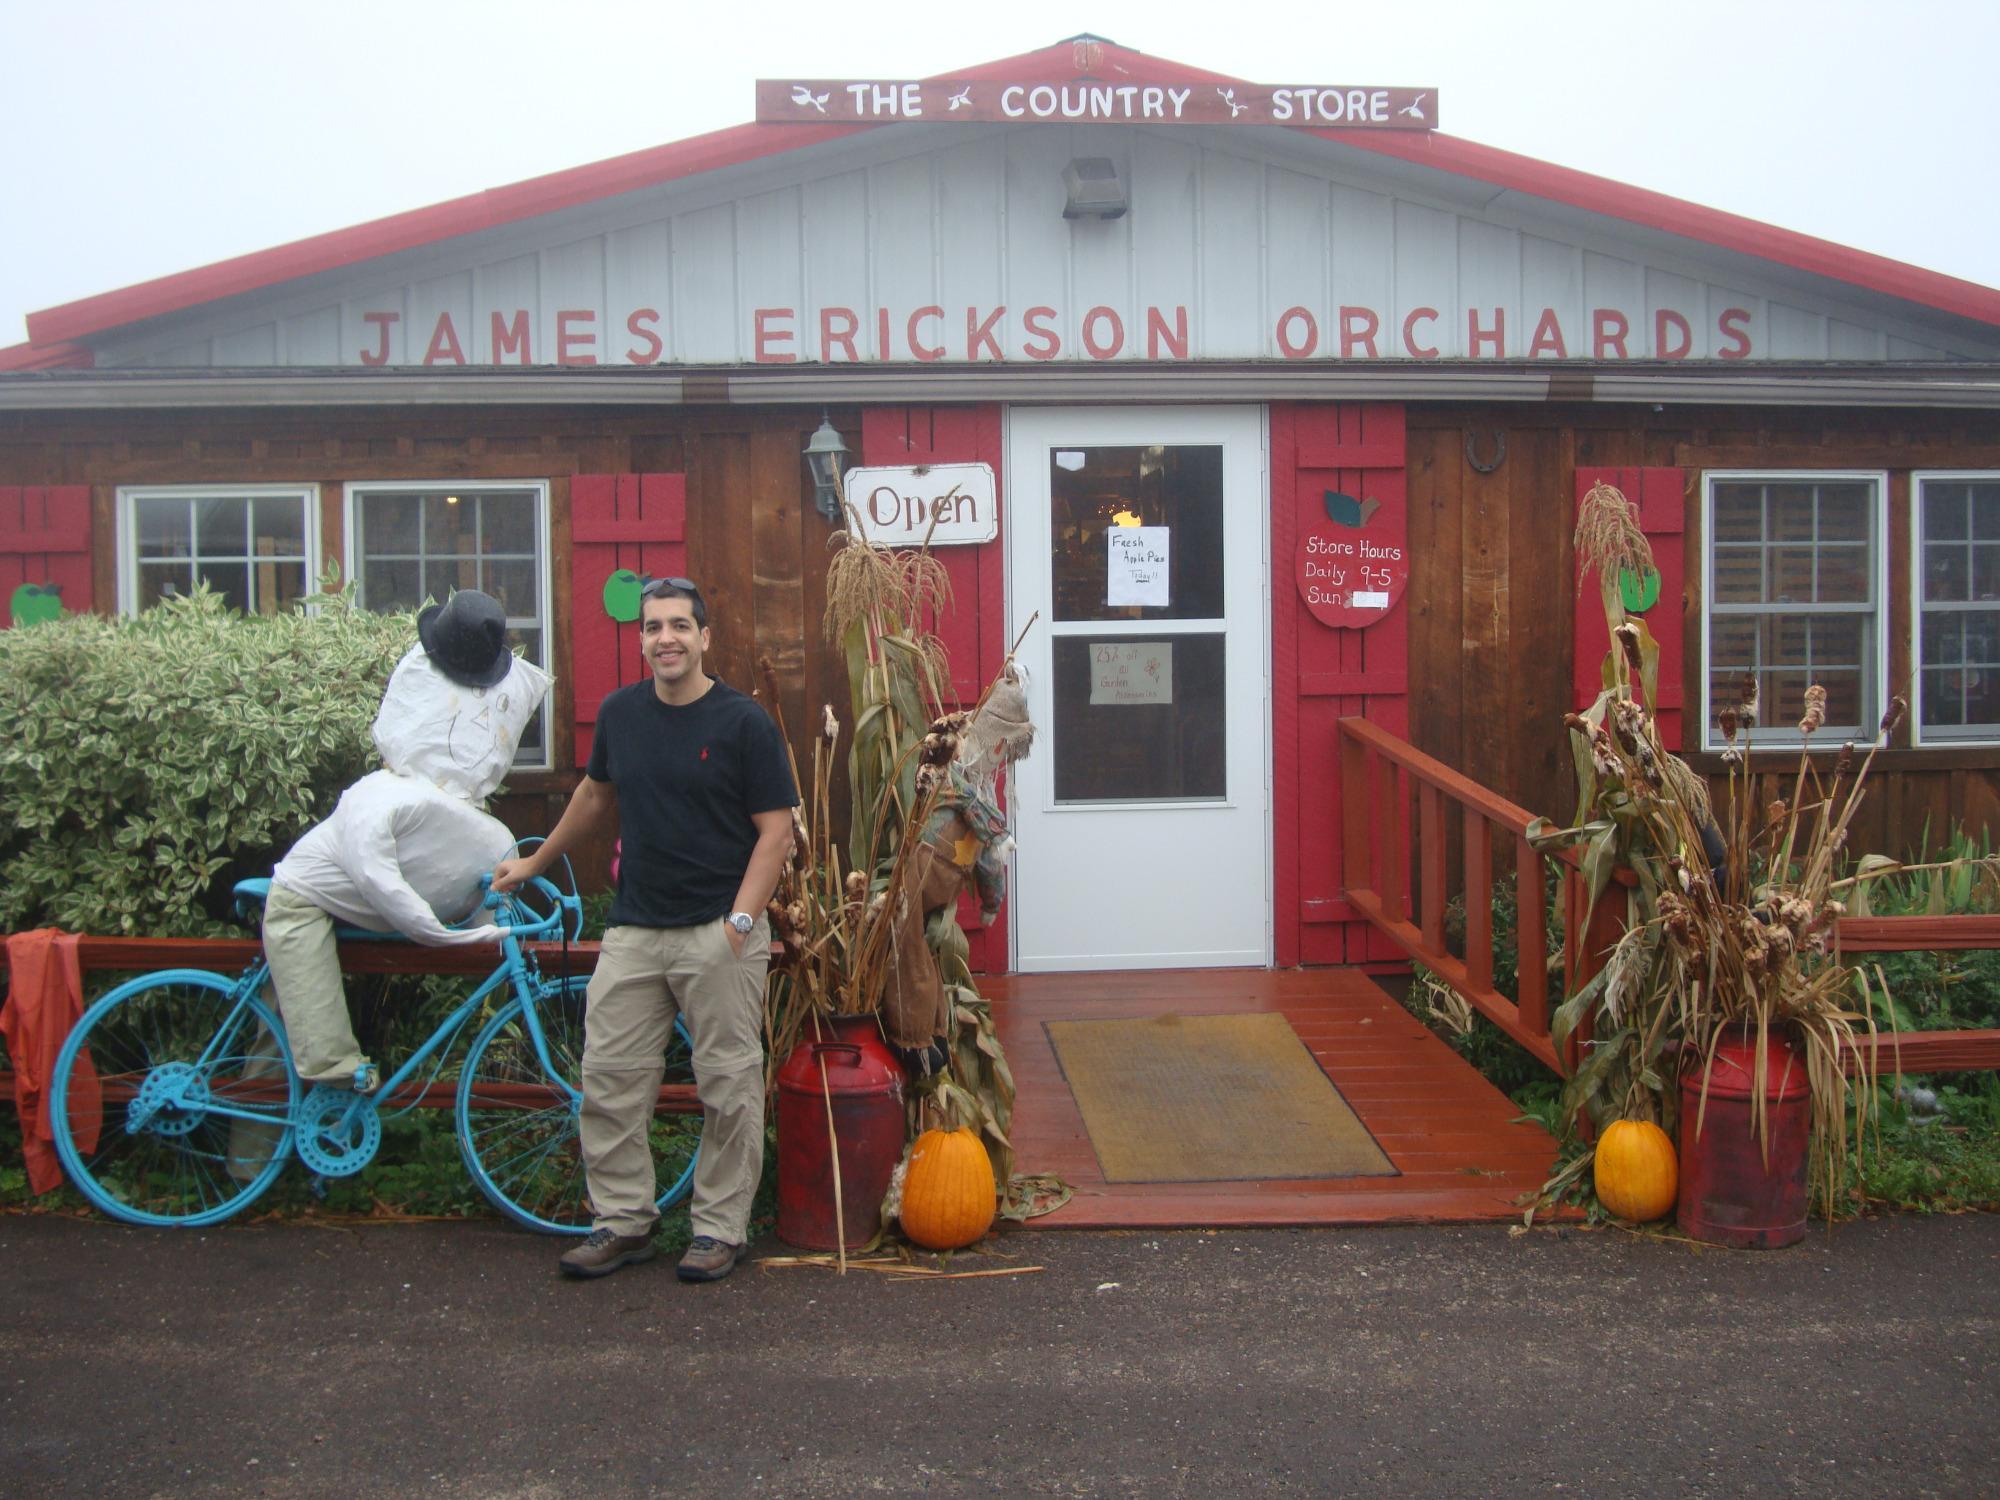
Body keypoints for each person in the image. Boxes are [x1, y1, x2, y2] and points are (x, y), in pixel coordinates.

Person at [494, 576, 797, 1282]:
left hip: (718, 931)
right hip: (635, 929)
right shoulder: (621, 715)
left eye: (680, 626)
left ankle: (720, 1229)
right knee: (610, 1081)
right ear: (641, 640)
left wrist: (740, 923)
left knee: (727, 1085)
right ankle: (622, 1221)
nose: (666, 638)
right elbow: (595, 795)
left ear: (704, 637)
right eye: (654, 627)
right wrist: (535, 861)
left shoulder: (742, 723)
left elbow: (775, 832)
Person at [258, 589, 548, 1095]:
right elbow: (379, 876)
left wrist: (493, 931)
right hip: (311, 897)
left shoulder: (480, 827)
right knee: (296, 1003)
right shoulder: (378, 799)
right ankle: (327, 1072)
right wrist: (450, 936)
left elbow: (489, 889)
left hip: (374, 908)